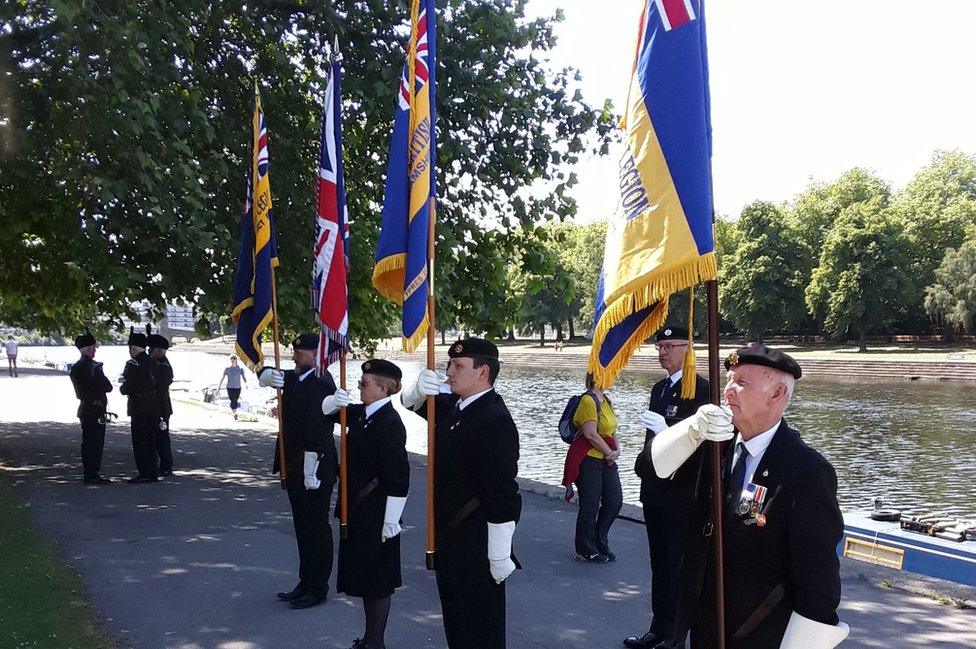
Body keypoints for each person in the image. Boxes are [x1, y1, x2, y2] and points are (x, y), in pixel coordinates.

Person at [649, 344, 849, 649]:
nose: (728, 391)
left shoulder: (806, 471)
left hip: (762, 634)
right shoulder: (717, 446)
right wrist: (692, 429)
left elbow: (818, 585)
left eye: (742, 383)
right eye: (729, 380)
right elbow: (655, 468)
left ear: (777, 394)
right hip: (705, 628)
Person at [401, 338, 521, 649]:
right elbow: (410, 403)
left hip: (476, 544)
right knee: (457, 624)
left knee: (481, 628)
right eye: (449, 365)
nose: (449, 372)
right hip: (450, 539)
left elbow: (503, 493)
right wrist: (416, 389)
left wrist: (498, 552)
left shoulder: (494, 419)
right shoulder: (455, 407)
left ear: (483, 372)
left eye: (458, 366)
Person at [624, 326, 709, 649]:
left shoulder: (701, 391)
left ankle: (676, 634)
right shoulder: (659, 388)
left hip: (681, 492)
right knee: (659, 564)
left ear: (687, 349)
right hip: (655, 489)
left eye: (670, 346)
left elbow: (702, 445)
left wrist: (669, 430)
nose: (662, 352)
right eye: (659, 347)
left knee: (678, 566)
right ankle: (658, 628)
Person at [258, 333, 344, 610]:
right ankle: (305, 581)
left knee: (316, 527)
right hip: (295, 463)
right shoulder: (298, 377)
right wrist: (265, 374)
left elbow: (320, 429)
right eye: (295, 352)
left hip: (315, 466)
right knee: (302, 527)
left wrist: (311, 467)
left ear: (316, 355)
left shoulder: (321, 382)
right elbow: (269, 373)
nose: (296, 356)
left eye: (302, 352)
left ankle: (318, 587)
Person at [336, 359, 410, 649]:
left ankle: (375, 641)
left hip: (378, 513)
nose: (359, 387)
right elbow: (328, 412)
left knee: (378, 580)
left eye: (364, 384)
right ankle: (370, 638)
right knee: (367, 576)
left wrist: (391, 520)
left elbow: (399, 476)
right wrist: (332, 399)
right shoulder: (363, 415)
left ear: (383, 388)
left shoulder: (389, 422)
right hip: (359, 510)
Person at [570, 372, 622, 563]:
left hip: (607, 459)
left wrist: (617, 450)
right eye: (609, 373)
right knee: (590, 506)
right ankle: (585, 549)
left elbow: (612, 427)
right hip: (589, 460)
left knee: (614, 501)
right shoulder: (587, 401)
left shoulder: (606, 400)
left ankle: (599, 540)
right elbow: (590, 434)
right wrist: (610, 452)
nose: (613, 376)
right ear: (597, 376)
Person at [69, 331, 113, 485]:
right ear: (87, 348)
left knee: (87, 442)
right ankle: (93, 473)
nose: (95, 350)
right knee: (95, 442)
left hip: (85, 407)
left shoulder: (76, 367)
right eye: (93, 347)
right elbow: (108, 387)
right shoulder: (93, 367)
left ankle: (89, 471)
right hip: (96, 408)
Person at [119, 327, 160, 484]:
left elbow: (129, 386)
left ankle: (144, 472)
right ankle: (153, 471)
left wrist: (123, 388)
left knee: (140, 441)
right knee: (151, 440)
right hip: (153, 404)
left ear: (133, 348)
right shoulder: (154, 362)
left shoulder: (133, 364)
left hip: (139, 406)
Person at [148, 331, 174, 476]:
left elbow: (157, 384)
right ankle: (162, 465)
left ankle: (166, 466)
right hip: (157, 405)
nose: (149, 352)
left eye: (152, 349)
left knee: (162, 437)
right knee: (156, 437)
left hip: (161, 406)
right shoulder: (159, 363)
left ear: (160, 350)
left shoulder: (163, 366)